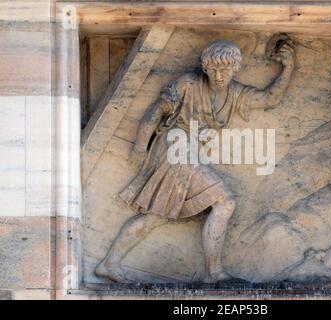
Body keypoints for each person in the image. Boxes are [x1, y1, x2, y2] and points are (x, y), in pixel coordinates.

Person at [95, 39, 295, 283]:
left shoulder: (236, 93)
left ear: (235, 69)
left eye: (225, 70)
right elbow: (157, 111)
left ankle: (109, 263)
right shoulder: (189, 83)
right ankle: (214, 273)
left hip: (188, 153)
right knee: (225, 201)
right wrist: (139, 146)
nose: (219, 76)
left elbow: (268, 99)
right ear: (206, 68)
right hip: (174, 147)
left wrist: (288, 68)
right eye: (214, 70)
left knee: (156, 216)